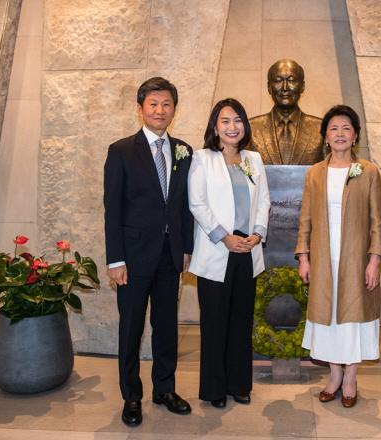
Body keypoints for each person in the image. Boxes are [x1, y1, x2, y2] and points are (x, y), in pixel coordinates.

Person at [104, 77, 194, 426]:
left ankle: (164, 389)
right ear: (140, 108)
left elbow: (184, 206)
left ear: (174, 109)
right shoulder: (122, 150)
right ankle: (131, 396)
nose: (160, 110)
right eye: (153, 104)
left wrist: (186, 247)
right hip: (132, 257)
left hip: (170, 256)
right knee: (131, 328)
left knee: (167, 326)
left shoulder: (184, 151)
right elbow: (112, 207)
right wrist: (115, 259)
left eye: (167, 103)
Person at [296, 105, 381, 408]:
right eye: (333, 128)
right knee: (328, 320)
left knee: (353, 320)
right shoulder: (314, 173)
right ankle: (334, 375)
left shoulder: (368, 171)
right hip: (323, 260)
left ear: (355, 135)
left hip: (356, 260)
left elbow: (378, 222)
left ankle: (350, 378)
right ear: (325, 136)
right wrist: (304, 257)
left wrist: (374, 260)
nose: (340, 134)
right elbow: (305, 219)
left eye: (346, 128)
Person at [188, 98, 271, 408]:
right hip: (217, 250)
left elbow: (264, 201)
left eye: (237, 120)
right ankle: (213, 389)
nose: (232, 126)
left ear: (244, 125)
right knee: (214, 323)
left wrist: (257, 234)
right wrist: (224, 237)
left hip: (247, 249)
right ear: (215, 127)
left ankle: (239, 384)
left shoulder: (253, 159)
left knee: (240, 321)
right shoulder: (202, 159)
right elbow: (197, 204)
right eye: (225, 121)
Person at [248, 59, 325, 165]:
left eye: (291, 81)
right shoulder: (250, 128)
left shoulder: (321, 128)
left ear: (302, 86)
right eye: (278, 81)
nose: (285, 88)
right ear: (269, 87)